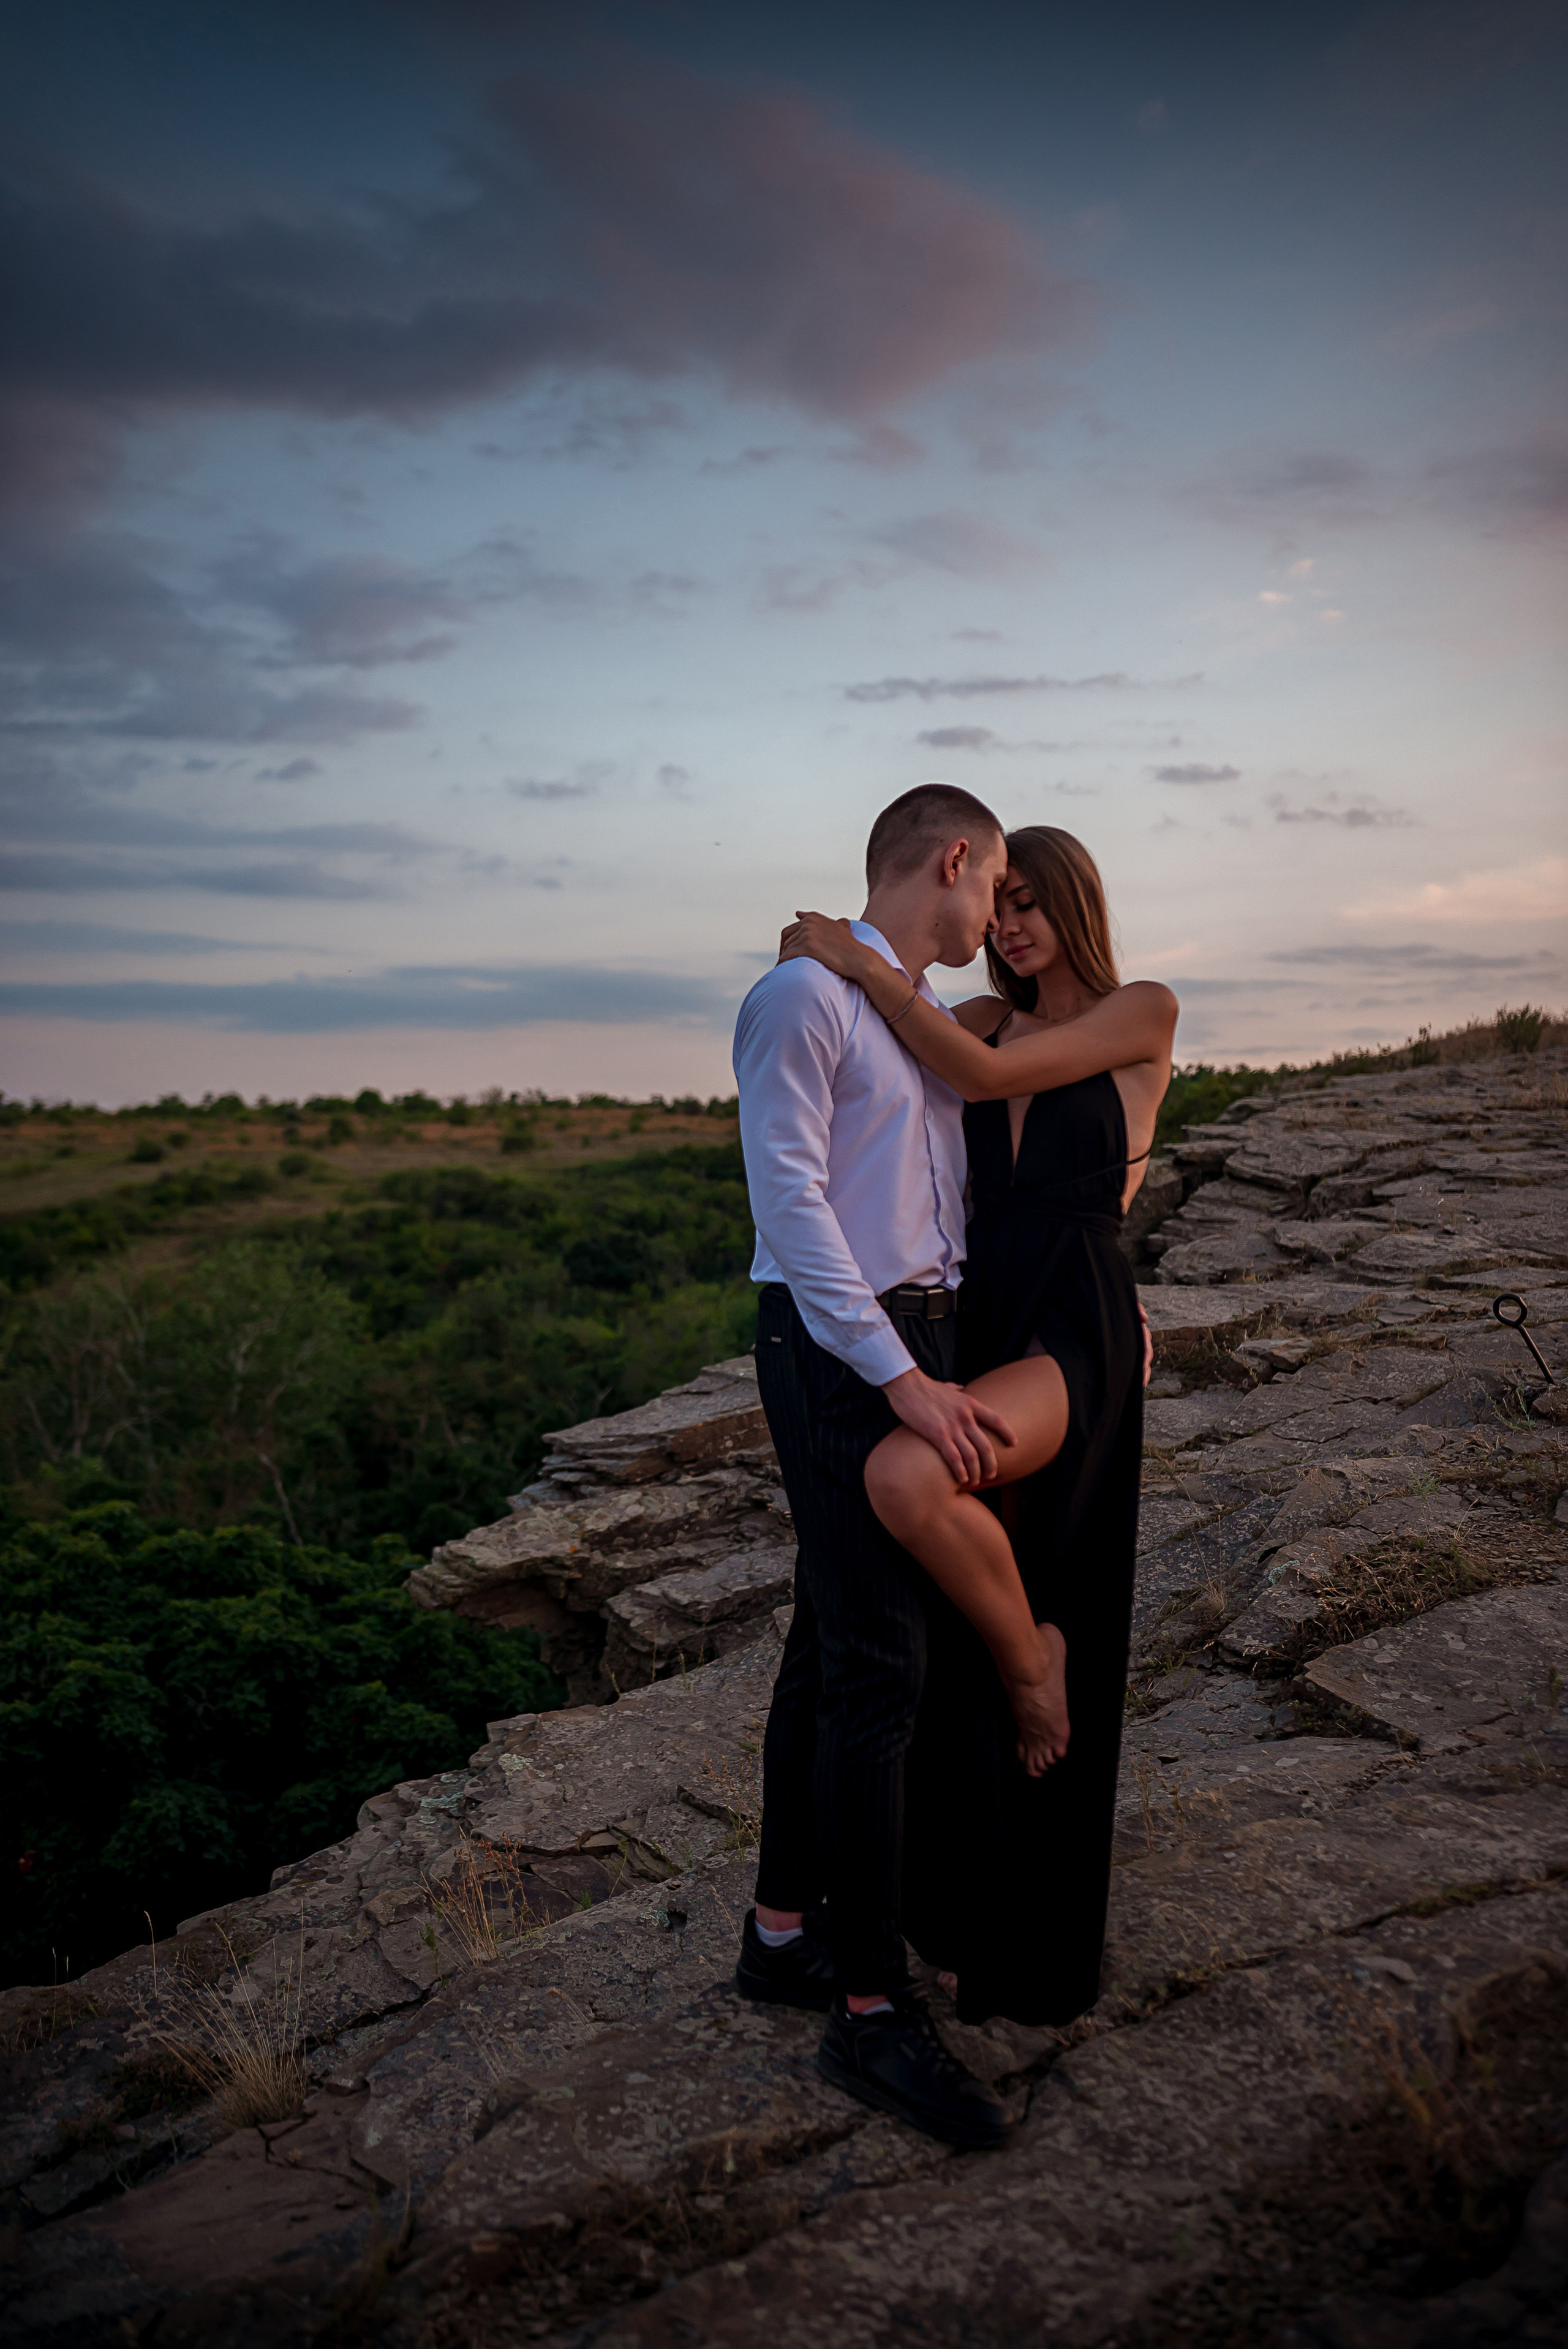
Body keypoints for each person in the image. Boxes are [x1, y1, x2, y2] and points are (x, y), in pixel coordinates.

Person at [777, 826, 1176, 2027]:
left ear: (1074, 902)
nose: (1005, 928)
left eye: (1026, 904)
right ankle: (961, 1926)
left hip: (1068, 1328)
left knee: (908, 1475)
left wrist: (854, 964)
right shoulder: (981, 1021)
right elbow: (932, 1101)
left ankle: (1035, 1663)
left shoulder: (1138, 1010)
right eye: (995, 907)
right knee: (935, 1624)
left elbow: (1009, 1100)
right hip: (982, 1317)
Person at [730, 783, 1019, 2151]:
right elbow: (789, 1206)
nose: (995, 914)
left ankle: (780, 1932)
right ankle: (866, 2012)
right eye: (995, 884)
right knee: (877, 1668)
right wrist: (897, 1376)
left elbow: (955, 1201)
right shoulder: (802, 1000)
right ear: (953, 859)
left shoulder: (906, 1012)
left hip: (913, 1336)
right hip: (843, 1346)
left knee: (826, 1643)